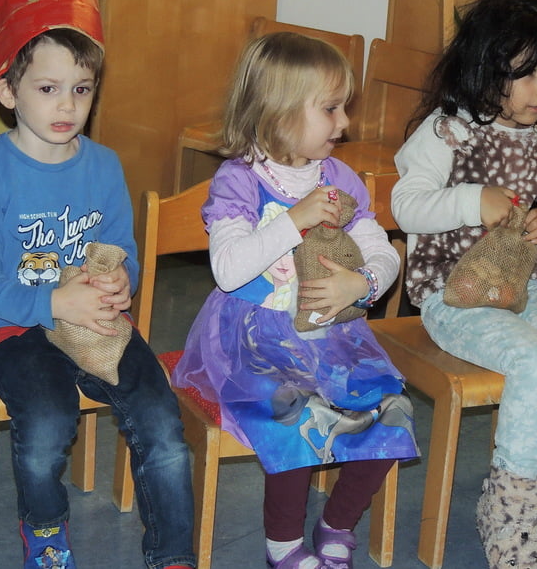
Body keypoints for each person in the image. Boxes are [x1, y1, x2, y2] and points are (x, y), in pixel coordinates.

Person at [0, 0, 195, 569]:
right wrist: (55, 302)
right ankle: (45, 529)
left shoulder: (104, 166)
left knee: (162, 421)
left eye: (81, 89)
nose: (67, 105)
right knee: (47, 421)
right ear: (8, 90)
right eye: (49, 88)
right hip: (11, 325)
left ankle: (173, 554)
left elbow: (121, 250)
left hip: (94, 321)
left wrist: (120, 279)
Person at [171, 32, 419, 569]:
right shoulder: (239, 181)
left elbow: (382, 249)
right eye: (330, 109)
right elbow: (228, 271)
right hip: (251, 335)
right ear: (279, 112)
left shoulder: (339, 178)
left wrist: (364, 284)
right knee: (295, 410)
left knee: (392, 407)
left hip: (329, 334)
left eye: (343, 107)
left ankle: (338, 522)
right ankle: (282, 543)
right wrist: (293, 220)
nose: (344, 122)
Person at [391, 0, 537, 569]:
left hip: (524, 288)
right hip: (452, 295)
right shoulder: (447, 132)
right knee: (534, 362)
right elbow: (406, 206)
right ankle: (510, 514)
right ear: (486, 71)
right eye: (527, 73)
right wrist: (474, 199)